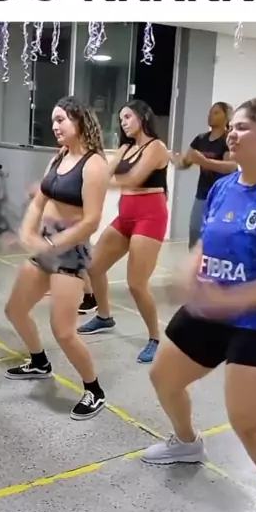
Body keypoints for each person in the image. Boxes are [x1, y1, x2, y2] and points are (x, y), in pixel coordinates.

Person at [143, 95, 256, 512]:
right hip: (211, 306)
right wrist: (188, 273)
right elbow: (206, 243)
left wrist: (234, 299)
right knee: (164, 377)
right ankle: (187, 442)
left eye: (243, 127)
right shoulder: (224, 186)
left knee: (248, 422)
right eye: (232, 126)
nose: (232, 133)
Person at [4, 95, 110, 420]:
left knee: (63, 331)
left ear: (79, 121)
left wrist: (51, 243)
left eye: (61, 119)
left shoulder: (94, 164)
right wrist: (27, 233)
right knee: (15, 310)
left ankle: (94, 390)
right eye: (53, 120)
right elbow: (40, 200)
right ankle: (39, 362)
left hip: (70, 251)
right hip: (46, 246)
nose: (55, 126)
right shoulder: (59, 156)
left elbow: (91, 221)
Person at [77, 100, 170, 364]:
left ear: (142, 116)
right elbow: (104, 173)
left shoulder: (156, 147)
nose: (123, 123)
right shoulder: (125, 148)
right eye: (121, 119)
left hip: (150, 216)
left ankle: (154, 337)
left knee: (136, 284)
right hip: (126, 216)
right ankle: (104, 316)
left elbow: (134, 178)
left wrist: (101, 183)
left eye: (128, 117)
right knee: (94, 267)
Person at [171, 101, 236, 249]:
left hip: (222, 196)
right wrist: (173, 158)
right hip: (202, 195)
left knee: (216, 236)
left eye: (216, 112)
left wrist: (205, 162)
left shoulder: (228, 139)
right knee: (195, 232)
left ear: (226, 117)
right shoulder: (200, 139)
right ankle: (195, 262)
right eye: (210, 112)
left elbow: (231, 167)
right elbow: (186, 162)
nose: (210, 115)